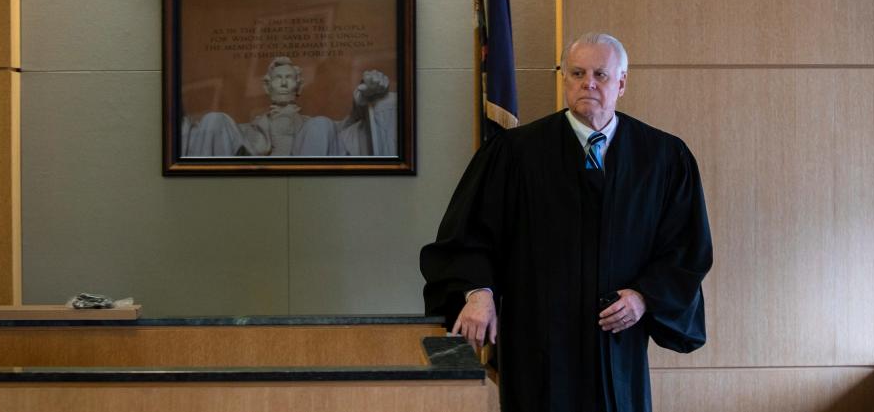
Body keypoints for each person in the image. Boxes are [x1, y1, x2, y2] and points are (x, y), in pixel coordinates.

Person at [420, 32, 712, 412]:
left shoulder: (663, 158)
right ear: (564, 80)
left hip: (616, 342)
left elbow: (686, 249)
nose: (587, 83)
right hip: (536, 340)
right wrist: (479, 293)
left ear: (622, 82)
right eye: (576, 73)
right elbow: (469, 233)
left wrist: (644, 297)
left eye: (600, 74)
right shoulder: (514, 153)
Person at [182, 56, 396, 157]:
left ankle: (312, 200)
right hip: (252, 176)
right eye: (278, 79)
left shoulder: (316, 128)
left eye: (289, 78)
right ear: (267, 86)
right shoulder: (249, 130)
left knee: (321, 125)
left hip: (306, 174)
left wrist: (363, 99)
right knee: (214, 120)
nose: (283, 83)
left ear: (299, 85)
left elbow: (348, 129)